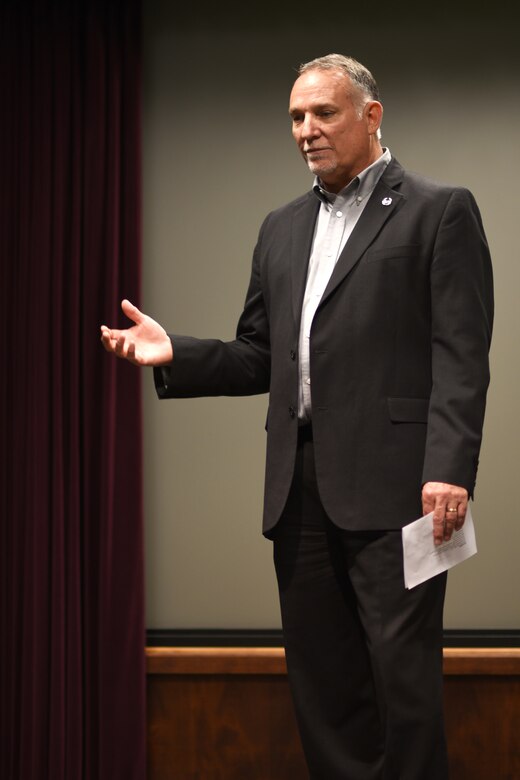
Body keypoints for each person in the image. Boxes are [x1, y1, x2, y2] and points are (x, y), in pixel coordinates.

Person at [101, 53, 493, 779]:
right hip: (299, 488)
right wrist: (174, 353)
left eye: (323, 114)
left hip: (400, 489)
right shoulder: (281, 228)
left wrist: (449, 469)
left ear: (371, 116)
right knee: (325, 687)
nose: (306, 130)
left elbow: (461, 356)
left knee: (402, 685)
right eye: (295, 117)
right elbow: (258, 356)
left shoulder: (440, 210)